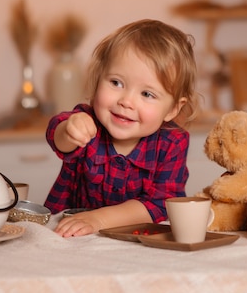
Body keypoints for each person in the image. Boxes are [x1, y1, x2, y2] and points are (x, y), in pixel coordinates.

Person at [44, 19, 200, 237]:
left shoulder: (172, 142)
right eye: (116, 83)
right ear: (98, 78)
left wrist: (99, 218)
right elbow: (56, 136)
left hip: (137, 242)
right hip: (71, 235)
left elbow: (161, 203)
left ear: (173, 109)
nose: (126, 101)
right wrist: (70, 130)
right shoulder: (87, 118)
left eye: (147, 94)